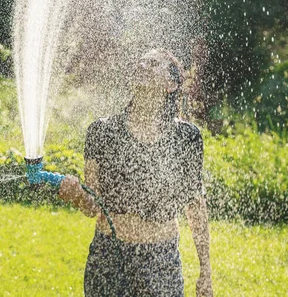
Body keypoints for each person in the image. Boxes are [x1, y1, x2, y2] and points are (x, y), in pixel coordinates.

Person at [58, 48, 213, 296]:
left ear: (171, 84)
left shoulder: (186, 137)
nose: (142, 66)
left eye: (152, 64)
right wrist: (76, 194)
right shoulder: (102, 131)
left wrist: (205, 270)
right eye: (140, 62)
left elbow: (195, 204)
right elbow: (92, 206)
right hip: (110, 256)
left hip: (161, 259)